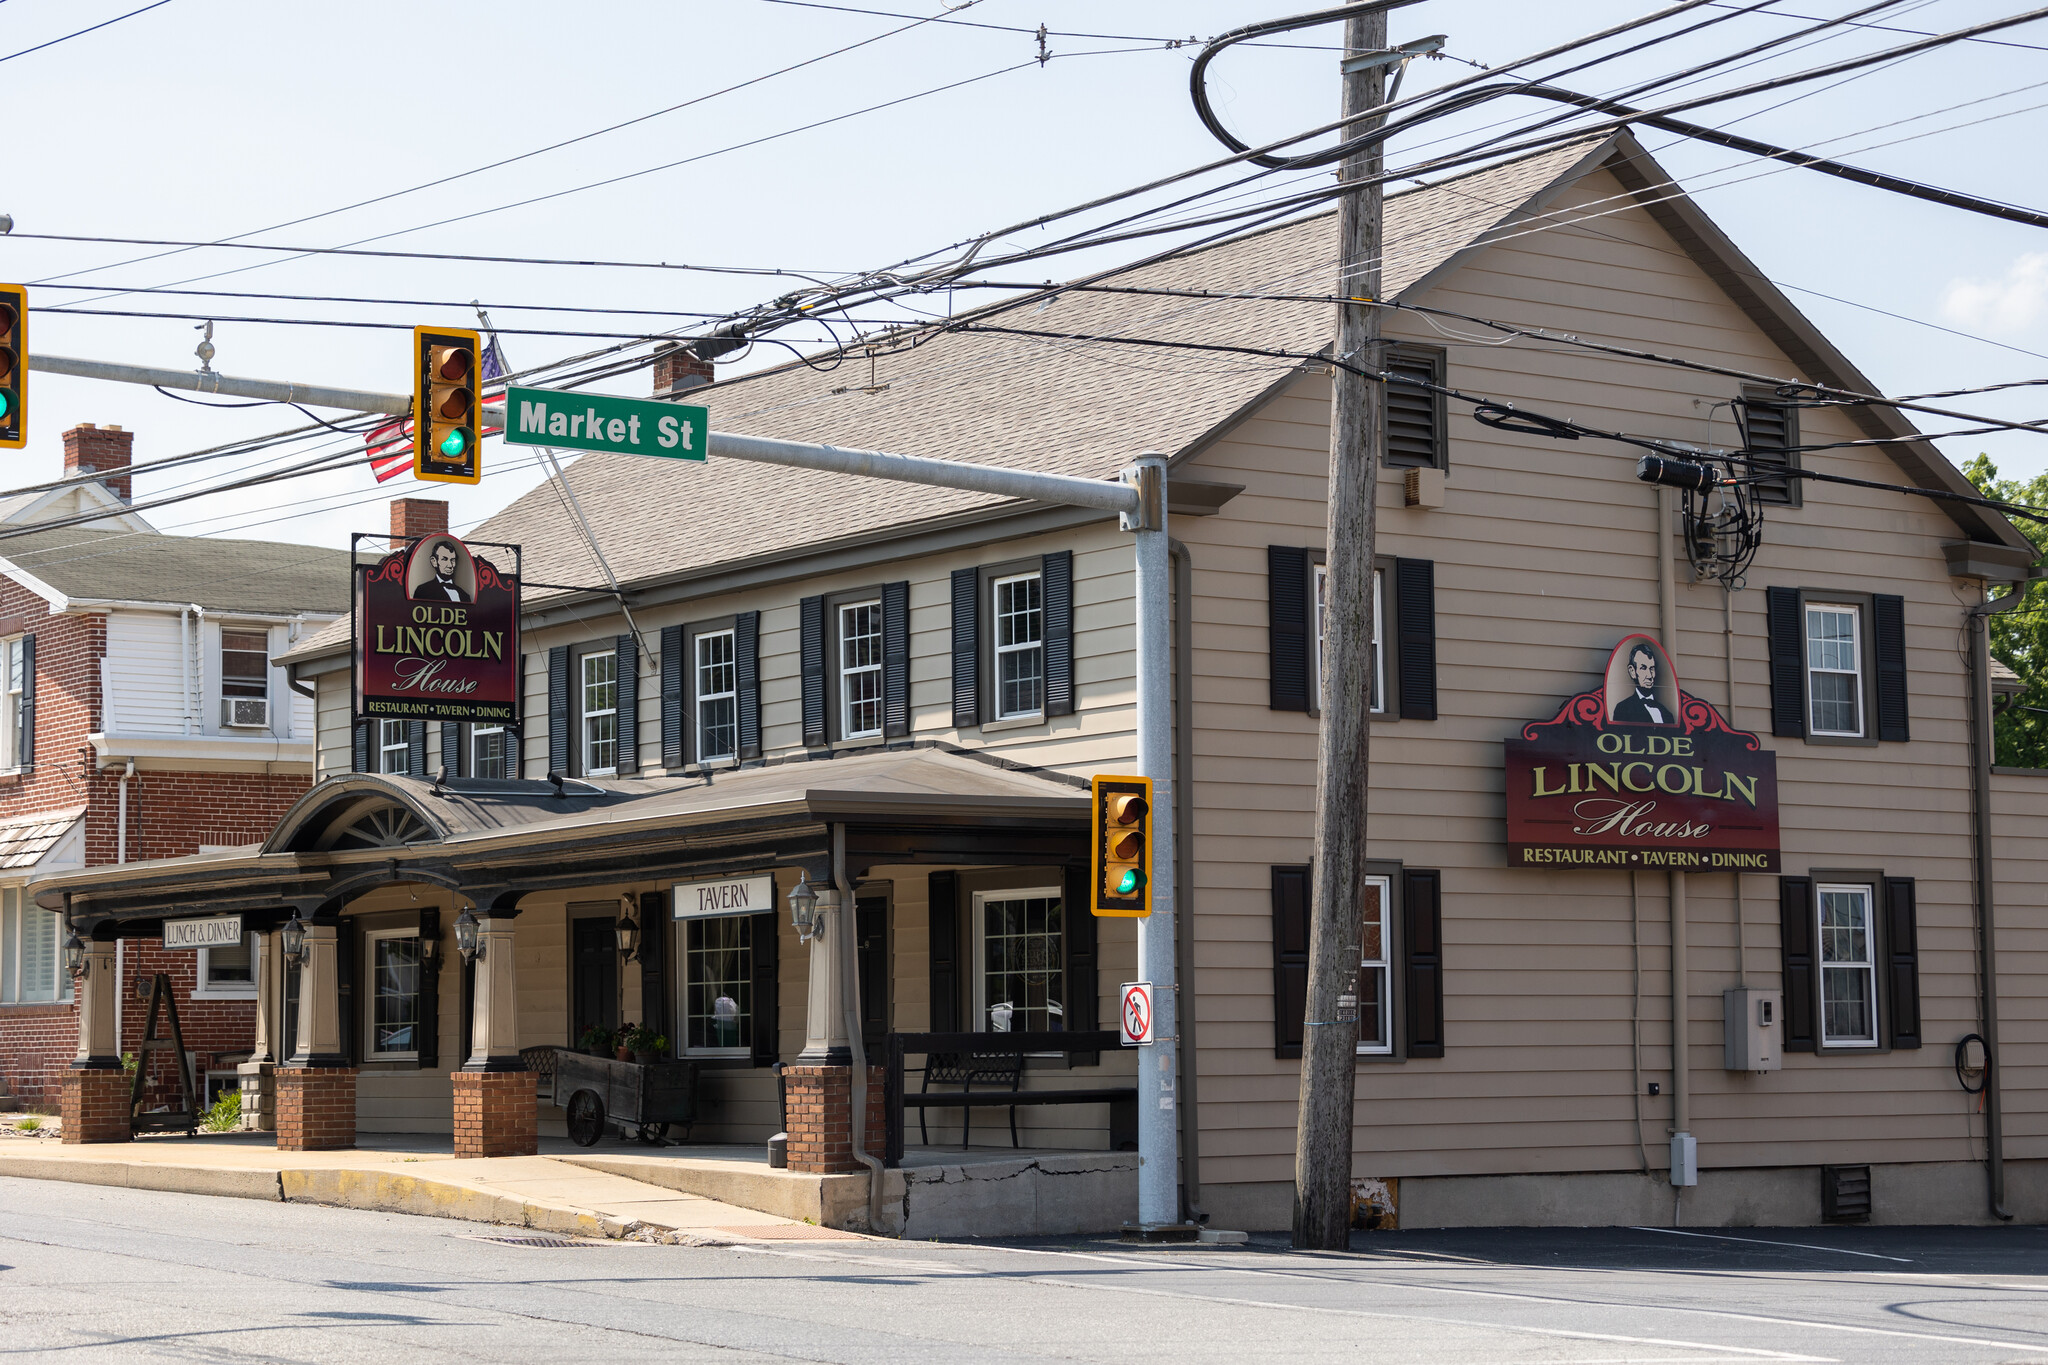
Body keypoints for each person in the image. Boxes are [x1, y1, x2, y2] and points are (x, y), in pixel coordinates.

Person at [1611, 642, 1674, 724]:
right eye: (1643, 668)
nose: (1649, 675)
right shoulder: (1623, 708)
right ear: (1632, 671)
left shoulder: (1667, 714)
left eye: (1651, 669)